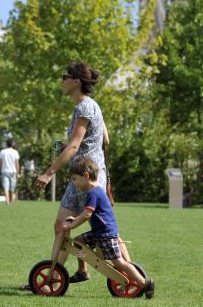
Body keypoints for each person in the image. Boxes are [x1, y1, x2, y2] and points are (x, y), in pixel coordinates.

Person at [32, 62, 131, 284]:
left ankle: (50, 278)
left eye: (65, 76)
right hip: (91, 175)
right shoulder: (92, 106)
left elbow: (75, 145)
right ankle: (102, 271)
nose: (62, 80)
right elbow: (106, 139)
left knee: (65, 227)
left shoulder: (84, 108)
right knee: (100, 229)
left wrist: (49, 173)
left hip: (85, 178)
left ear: (76, 81)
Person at [59, 158, 154, 299]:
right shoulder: (96, 191)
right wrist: (75, 218)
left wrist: (71, 225)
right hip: (100, 232)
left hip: (105, 234)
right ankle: (82, 271)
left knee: (119, 263)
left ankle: (145, 283)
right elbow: (89, 213)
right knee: (78, 242)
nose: (73, 182)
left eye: (74, 179)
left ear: (85, 176)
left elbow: (87, 214)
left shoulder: (93, 193)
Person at [0, 140, 20, 204]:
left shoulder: (2, 152)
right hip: (13, 172)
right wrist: (18, 173)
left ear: (6, 144)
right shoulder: (15, 152)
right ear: (12, 144)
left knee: (6, 187)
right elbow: (17, 164)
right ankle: (11, 200)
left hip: (4, 171)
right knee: (12, 187)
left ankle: (7, 200)